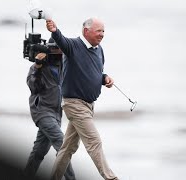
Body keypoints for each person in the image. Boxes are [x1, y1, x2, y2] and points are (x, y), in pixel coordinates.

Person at [46, 18, 119, 180]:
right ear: (86, 31)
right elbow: (61, 40)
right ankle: (111, 178)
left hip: (88, 106)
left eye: (103, 31)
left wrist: (104, 78)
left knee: (67, 148)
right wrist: (54, 30)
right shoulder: (73, 46)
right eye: (98, 31)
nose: (102, 34)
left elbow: (93, 72)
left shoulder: (99, 50)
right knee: (94, 142)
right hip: (74, 104)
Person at [24, 40, 76, 180]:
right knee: (62, 145)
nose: (57, 52)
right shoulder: (38, 67)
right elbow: (33, 86)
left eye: (60, 49)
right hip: (42, 112)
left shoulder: (63, 65)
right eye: (54, 49)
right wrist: (37, 65)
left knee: (39, 152)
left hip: (56, 113)